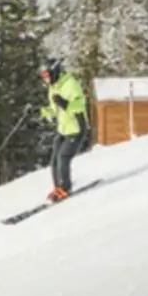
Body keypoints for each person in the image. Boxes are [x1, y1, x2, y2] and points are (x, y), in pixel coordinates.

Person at [38, 58, 89, 201]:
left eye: (46, 75)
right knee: (54, 161)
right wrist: (40, 112)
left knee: (63, 157)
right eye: (43, 76)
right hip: (63, 129)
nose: (45, 79)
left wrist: (65, 104)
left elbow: (80, 105)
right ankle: (57, 188)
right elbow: (54, 110)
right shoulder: (53, 87)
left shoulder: (70, 84)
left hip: (76, 128)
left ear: (54, 72)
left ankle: (65, 188)